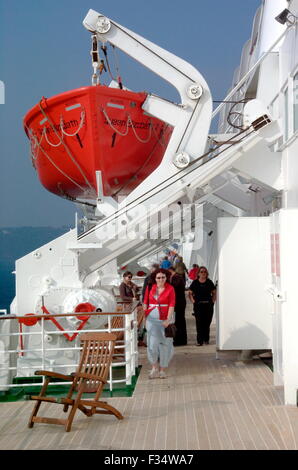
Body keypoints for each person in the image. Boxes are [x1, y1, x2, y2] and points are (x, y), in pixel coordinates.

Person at [143, 268, 176, 379]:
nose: (161, 279)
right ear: (155, 278)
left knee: (165, 345)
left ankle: (162, 369)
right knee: (152, 345)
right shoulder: (150, 287)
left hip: (165, 320)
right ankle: (154, 367)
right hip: (151, 320)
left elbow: (172, 305)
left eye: (163, 277)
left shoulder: (170, 289)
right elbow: (145, 303)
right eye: (158, 277)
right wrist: (144, 318)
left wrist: (168, 319)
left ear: (166, 277)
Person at [188, 266, 216, 346]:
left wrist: (212, 302)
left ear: (207, 273)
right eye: (201, 272)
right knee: (199, 323)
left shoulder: (209, 282)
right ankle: (199, 341)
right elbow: (190, 293)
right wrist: (193, 301)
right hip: (198, 306)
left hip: (208, 305)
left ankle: (206, 339)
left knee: (207, 323)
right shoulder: (195, 282)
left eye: (204, 272)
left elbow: (214, 292)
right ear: (198, 273)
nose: (203, 273)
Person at [171, 271, 187, 346]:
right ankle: (182, 340)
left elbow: (174, 288)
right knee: (180, 321)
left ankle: (179, 340)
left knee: (178, 321)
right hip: (180, 302)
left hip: (178, 303)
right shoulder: (179, 277)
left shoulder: (176, 278)